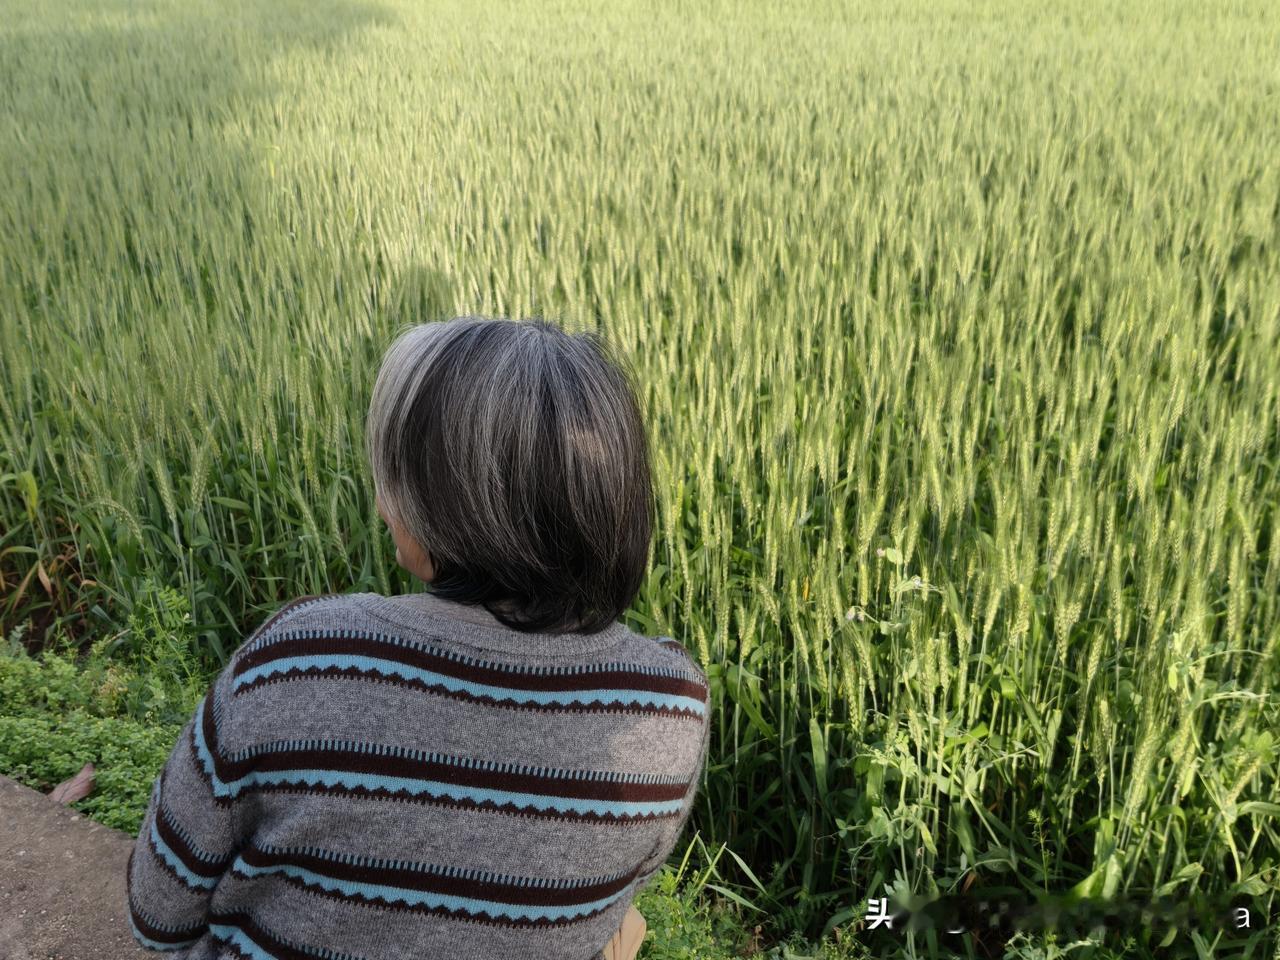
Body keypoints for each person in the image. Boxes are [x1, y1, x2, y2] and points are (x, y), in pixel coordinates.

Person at [124, 316, 710, 960]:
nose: (383, 505)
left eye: (401, 477)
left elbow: (158, 916)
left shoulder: (295, 661)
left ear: (453, 506)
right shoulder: (669, 705)